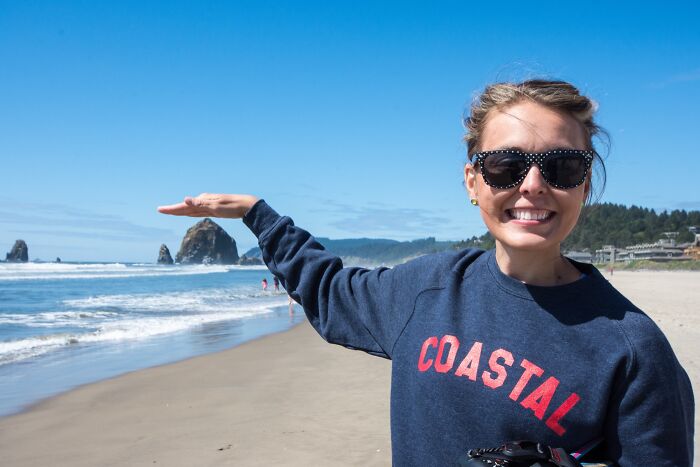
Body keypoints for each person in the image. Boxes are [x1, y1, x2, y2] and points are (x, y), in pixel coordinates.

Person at [158, 79, 694, 466]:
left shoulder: (630, 348)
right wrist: (259, 214)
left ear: (584, 183)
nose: (532, 185)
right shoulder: (426, 290)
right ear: (472, 181)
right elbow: (327, 288)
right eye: (506, 166)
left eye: (561, 166)